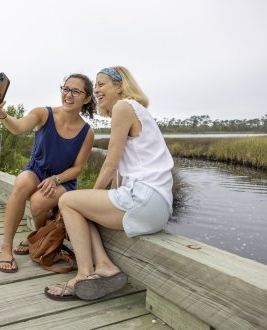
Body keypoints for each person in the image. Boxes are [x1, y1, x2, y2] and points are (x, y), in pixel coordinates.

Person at [45, 66, 174, 300]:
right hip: (157, 205)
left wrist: (89, 197)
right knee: (82, 209)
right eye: (95, 86)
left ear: (120, 86)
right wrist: (91, 203)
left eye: (101, 84)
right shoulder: (137, 110)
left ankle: (83, 275)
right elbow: (120, 172)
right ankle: (105, 266)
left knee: (68, 200)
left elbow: (111, 163)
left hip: (144, 198)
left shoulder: (123, 107)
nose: (96, 91)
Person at [0, 73, 96, 273]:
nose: (68, 95)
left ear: (87, 98)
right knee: (21, 185)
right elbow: (18, 127)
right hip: (36, 170)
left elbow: (78, 168)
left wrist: (56, 179)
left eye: (76, 91)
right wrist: (1, 113)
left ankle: (37, 238)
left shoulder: (87, 132)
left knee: (38, 202)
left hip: (63, 179)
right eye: (66, 89)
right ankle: (6, 248)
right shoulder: (43, 114)